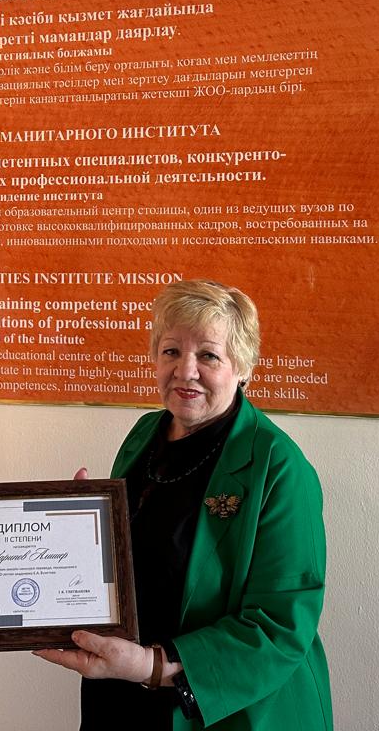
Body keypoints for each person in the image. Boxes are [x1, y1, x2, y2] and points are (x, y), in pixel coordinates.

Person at [35, 280, 331, 730]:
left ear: (242, 367)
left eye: (208, 355)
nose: (185, 371)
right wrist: (79, 534)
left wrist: (153, 666)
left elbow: (281, 624)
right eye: (171, 351)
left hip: (224, 707)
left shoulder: (279, 466)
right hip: (120, 689)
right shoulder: (144, 434)